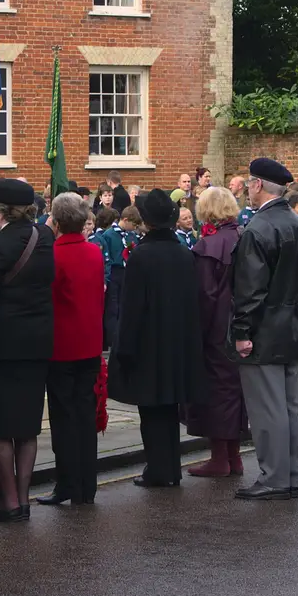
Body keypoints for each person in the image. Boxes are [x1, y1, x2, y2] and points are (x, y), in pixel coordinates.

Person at [0, 179, 55, 523]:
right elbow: (20, 240)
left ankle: (8, 500)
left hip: (2, 345)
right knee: (28, 425)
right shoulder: (45, 237)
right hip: (38, 342)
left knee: (0, 425)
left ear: (0, 208)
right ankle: (23, 497)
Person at [107, 190, 204, 487]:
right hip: (178, 343)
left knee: (151, 411)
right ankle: (169, 467)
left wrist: (122, 350)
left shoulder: (142, 256)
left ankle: (159, 470)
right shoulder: (184, 253)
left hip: (149, 345)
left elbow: (132, 309)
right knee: (170, 409)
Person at [231, 157, 298, 500]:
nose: (249, 189)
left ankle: (276, 477)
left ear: (257, 185)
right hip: (291, 323)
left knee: (267, 410)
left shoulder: (259, 228)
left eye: (250, 184)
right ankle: (289, 475)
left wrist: (241, 332)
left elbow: (250, 289)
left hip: (264, 328)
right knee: (289, 406)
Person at [37, 192, 105, 506]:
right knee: (84, 417)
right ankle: (86, 486)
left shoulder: (53, 255)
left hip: (62, 347)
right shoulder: (93, 252)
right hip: (90, 345)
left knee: (64, 420)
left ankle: (67, 484)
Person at [184, 186, 249, 476]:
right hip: (243, 325)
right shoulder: (243, 236)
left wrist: (195, 332)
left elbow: (205, 294)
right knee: (235, 391)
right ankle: (233, 457)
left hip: (217, 330)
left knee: (218, 392)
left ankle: (220, 458)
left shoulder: (209, 245)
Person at [93, 206, 127, 349]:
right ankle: (111, 340)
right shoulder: (106, 236)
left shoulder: (126, 235)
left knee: (120, 306)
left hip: (122, 272)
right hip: (112, 273)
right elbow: (106, 259)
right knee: (112, 309)